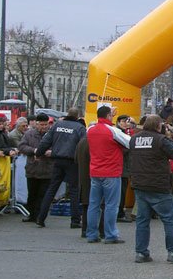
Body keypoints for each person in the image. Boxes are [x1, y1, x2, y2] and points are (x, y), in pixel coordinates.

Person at [129, 114, 173, 264]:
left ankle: (141, 253)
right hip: (159, 184)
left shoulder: (134, 139)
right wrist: (167, 136)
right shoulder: (161, 139)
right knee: (169, 220)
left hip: (140, 184)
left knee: (142, 220)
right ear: (159, 126)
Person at [85, 105, 130, 244]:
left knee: (93, 204)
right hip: (111, 171)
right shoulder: (113, 130)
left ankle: (91, 234)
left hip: (95, 170)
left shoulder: (90, 129)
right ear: (109, 116)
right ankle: (110, 234)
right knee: (111, 205)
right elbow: (129, 143)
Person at [35, 107, 86, 229]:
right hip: (73, 161)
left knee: (52, 189)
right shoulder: (80, 128)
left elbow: (46, 141)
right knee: (74, 190)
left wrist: (39, 153)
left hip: (57, 160)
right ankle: (75, 221)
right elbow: (84, 145)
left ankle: (41, 218)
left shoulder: (58, 125)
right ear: (78, 116)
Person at [18, 113, 53, 223]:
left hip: (47, 169)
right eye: (41, 125)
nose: (44, 127)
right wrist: (34, 151)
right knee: (32, 194)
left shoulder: (52, 135)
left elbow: (58, 147)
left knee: (42, 195)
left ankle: (40, 216)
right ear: (36, 124)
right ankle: (32, 214)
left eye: (45, 124)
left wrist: (51, 152)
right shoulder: (29, 134)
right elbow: (22, 146)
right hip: (32, 169)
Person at [115, 114, 133, 223]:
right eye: (124, 121)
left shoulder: (127, 133)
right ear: (119, 122)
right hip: (121, 167)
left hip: (125, 166)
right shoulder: (118, 134)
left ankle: (120, 211)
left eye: (128, 121)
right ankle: (119, 213)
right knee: (120, 191)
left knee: (123, 190)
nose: (127, 123)